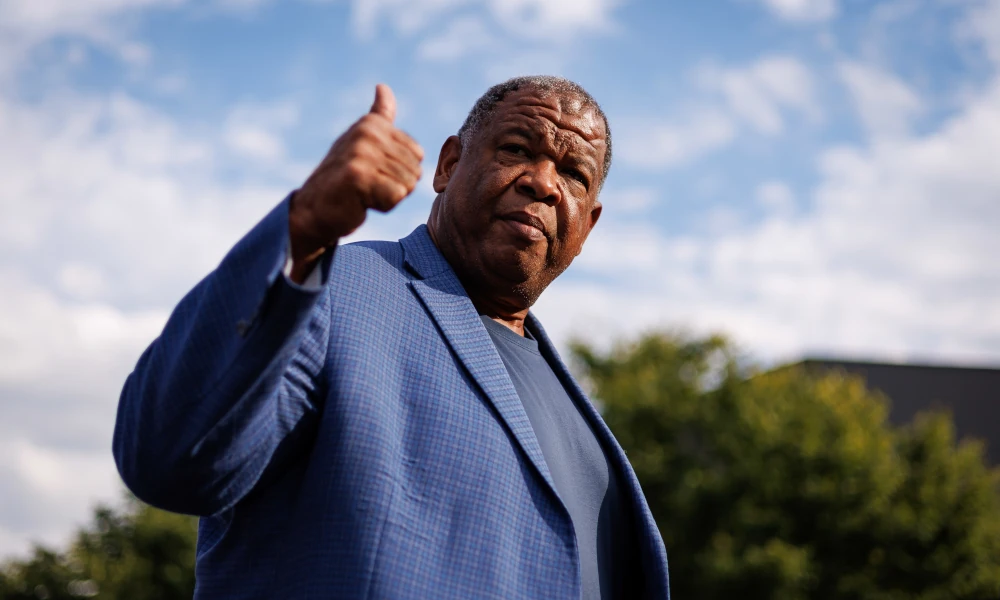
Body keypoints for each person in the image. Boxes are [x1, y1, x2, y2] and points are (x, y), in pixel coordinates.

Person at [113, 75, 670, 599]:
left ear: (588, 225)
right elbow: (170, 455)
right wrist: (304, 225)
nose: (542, 182)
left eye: (573, 175)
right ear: (448, 165)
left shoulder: (583, 424)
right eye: (518, 149)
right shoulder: (337, 292)